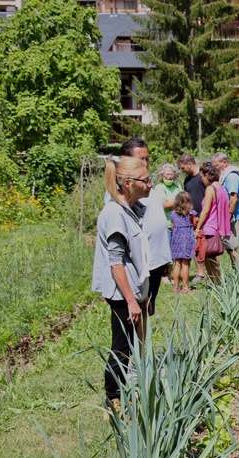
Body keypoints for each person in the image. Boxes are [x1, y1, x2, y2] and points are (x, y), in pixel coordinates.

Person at [92, 157, 152, 411]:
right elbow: (115, 263)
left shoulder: (129, 209)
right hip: (120, 294)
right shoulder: (115, 214)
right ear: (127, 183)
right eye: (145, 180)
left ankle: (123, 393)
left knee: (127, 345)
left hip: (130, 291)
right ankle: (113, 399)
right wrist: (131, 300)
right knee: (121, 347)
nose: (150, 184)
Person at [121, 138, 171, 315]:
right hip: (141, 265)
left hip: (156, 261)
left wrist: (165, 258)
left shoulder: (149, 186)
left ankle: (143, 343)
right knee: (137, 314)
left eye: (147, 158)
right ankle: (138, 343)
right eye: (140, 159)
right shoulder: (126, 189)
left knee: (147, 312)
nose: (145, 163)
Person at [194, 163, 230, 284]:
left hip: (209, 228)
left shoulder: (210, 188)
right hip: (218, 228)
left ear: (207, 175)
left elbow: (206, 210)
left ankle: (217, 284)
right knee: (213, 259)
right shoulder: (222, 188)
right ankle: (217, 283)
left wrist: (198, 228)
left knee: (209, 259)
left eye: (202, 177)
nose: (202, 181)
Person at [178, 153, 207, 282]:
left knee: (209, 246)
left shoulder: (203, 176)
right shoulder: (187, 180)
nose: (182, 171)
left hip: (205, 217)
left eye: (183, 168)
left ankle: (215, 273)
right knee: (196, 246)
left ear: (190, 164)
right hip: (192, 218)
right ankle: (201, 273)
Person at [211, 151, 239, 266]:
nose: (215, 169)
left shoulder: (232, 177)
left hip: (232, 217)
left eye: (216, 165)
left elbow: (233, 199)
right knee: (229, 248)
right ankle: (237, 274)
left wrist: (227, 217)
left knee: (232, 247)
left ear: (224, 162)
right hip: (229, 216)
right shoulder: (227, 175)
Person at [154, 163, 182, 285]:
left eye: (171, 174)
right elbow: (164, 205)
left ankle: (169, 274)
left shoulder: (177, 186)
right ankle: (164, 275)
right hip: (165, 222)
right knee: (166, 250)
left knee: (175, 250)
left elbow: (184, 201)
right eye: (167, 174)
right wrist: (178, 202)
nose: (170, 177)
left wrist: (175, 203)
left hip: (178, 223)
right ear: (162, 175)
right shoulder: (159, 188)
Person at [168, 191, 197, 293]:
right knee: (185, 264)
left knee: (177, 264)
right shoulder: (191, 214)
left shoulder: (172, 214)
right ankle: (185, 287)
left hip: (176, 240)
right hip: (187, 241)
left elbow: (172, 227)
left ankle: (176, 286)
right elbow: (194, 225)